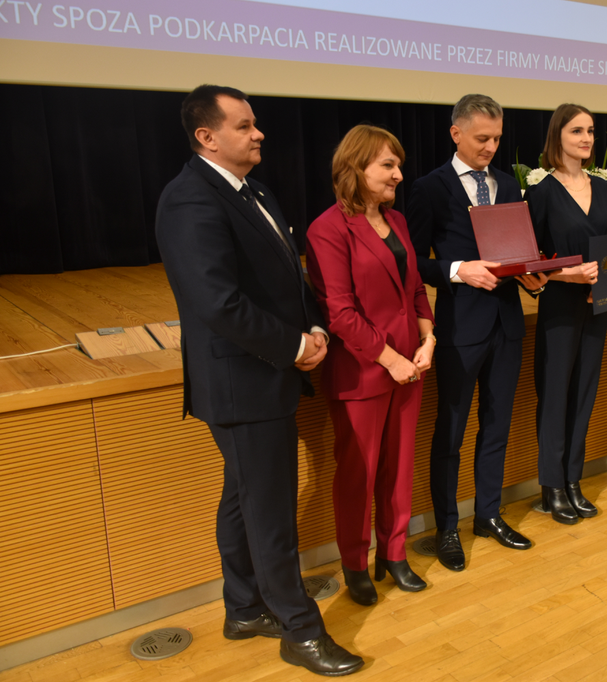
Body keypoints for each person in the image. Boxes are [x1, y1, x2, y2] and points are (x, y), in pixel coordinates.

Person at [155, 85, 362, 677]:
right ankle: (300, 631)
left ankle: (244, 609)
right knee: (270, 512)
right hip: (241, 382)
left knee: (243, 497)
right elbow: (218, 302)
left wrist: (313, 326)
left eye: (255, 123)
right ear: (207, 137)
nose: (259, 133)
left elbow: (289, 279)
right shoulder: (189, 199)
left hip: (266, 374)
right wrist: (295, 347)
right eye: (244, 125)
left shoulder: (255, 190)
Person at [407, 94, 547, 571]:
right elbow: (413, 262)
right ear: (456, 133)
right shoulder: (429, 188)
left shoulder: (507, 184)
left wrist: (531, 274)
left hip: (507, 324)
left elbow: (514, 252)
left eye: (497, 139)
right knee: (450, 432)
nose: (490, 147)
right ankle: (447, 527)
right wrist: (456, 269)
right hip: (459, 327)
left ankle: (488, 514)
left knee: (497, 425)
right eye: (482, 138)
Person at [305, 125, 435, 607]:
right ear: (355, 168)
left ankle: (394, 554)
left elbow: (415, 288)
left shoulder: (397, 220)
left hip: (410, 365)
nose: (399, 174)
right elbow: (339, 313)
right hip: (364, 370)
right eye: (388, 165)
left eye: (399, 165)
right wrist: (392, 359)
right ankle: (356, 564)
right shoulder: (327, 228)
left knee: (399, 469)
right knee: (358, 476)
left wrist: (428, 338)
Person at [526, 104, 607, 524]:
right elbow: (529, 263)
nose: (586, 138)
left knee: (583, 394)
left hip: (599, 304)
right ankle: (552, 486)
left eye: (591, 131)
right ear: (557, 136)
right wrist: (567, 275)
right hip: (559, 306)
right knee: (555, 395)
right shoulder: (541, 192)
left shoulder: (604, 189)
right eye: (577, 130)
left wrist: (604, 282)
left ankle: (573, 480)